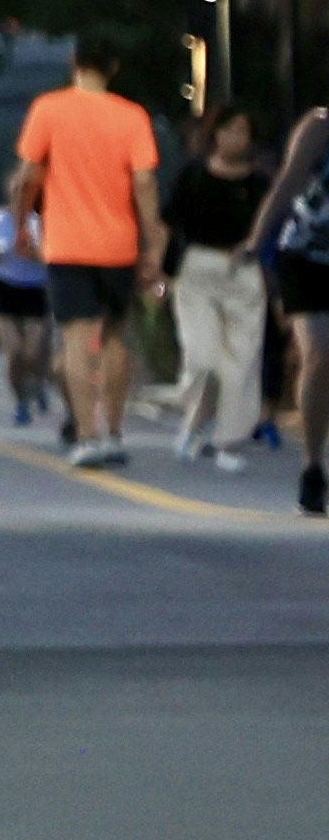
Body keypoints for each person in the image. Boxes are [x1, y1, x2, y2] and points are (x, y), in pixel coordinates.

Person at [16, 44, 162, 472]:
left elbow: (28, 176)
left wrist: (23, 224)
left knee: (78, 342)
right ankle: (115, 432)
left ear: (74, 64)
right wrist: (151, 245)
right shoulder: (132, 116)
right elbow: (145, 183)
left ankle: (86, 436)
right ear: (113, 67)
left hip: (66, 244)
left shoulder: (48, 109)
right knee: (115, 338)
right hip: (118, 244)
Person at [155, 110, 275, 472]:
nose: (235, 138)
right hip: (198, 270)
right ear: (215, 135)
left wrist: (253, 248)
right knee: (203, 356)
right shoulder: (192, 175)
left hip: (243, 273)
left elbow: (272, 226)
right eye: (229, 130)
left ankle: (228, 440)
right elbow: (168, 224)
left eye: (243, 131)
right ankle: (193, 421)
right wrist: (161, 272)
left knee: (241, 361)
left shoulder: (260, 184)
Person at [241, 110, 329, 519]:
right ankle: (312, 464)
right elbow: (288, 183)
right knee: (318, 352)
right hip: (308, 256)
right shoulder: (319, 126)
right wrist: (258, 237)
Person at [0, 171, 59, 434]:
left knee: (34, 351)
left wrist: (34, 253)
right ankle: (21, 401)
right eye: (15, 193)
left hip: (35, 288)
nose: (19, 199)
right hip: (5, 286)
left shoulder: (40, 221)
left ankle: (37, 383)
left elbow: (52, 254)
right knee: (13, 351)